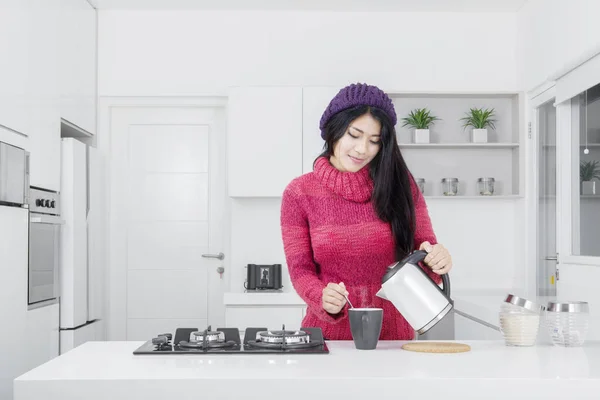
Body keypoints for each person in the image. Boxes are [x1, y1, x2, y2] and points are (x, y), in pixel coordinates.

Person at [280, 83, 453, 340]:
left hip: (394, 340)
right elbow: (301, 271)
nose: (362, 149)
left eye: (374, 141)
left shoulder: (401, 185)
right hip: (327, 340)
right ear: (334, 129)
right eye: (354, 134)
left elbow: (424, 252)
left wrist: (438, 260)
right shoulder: (299, 193)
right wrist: (321, 297)